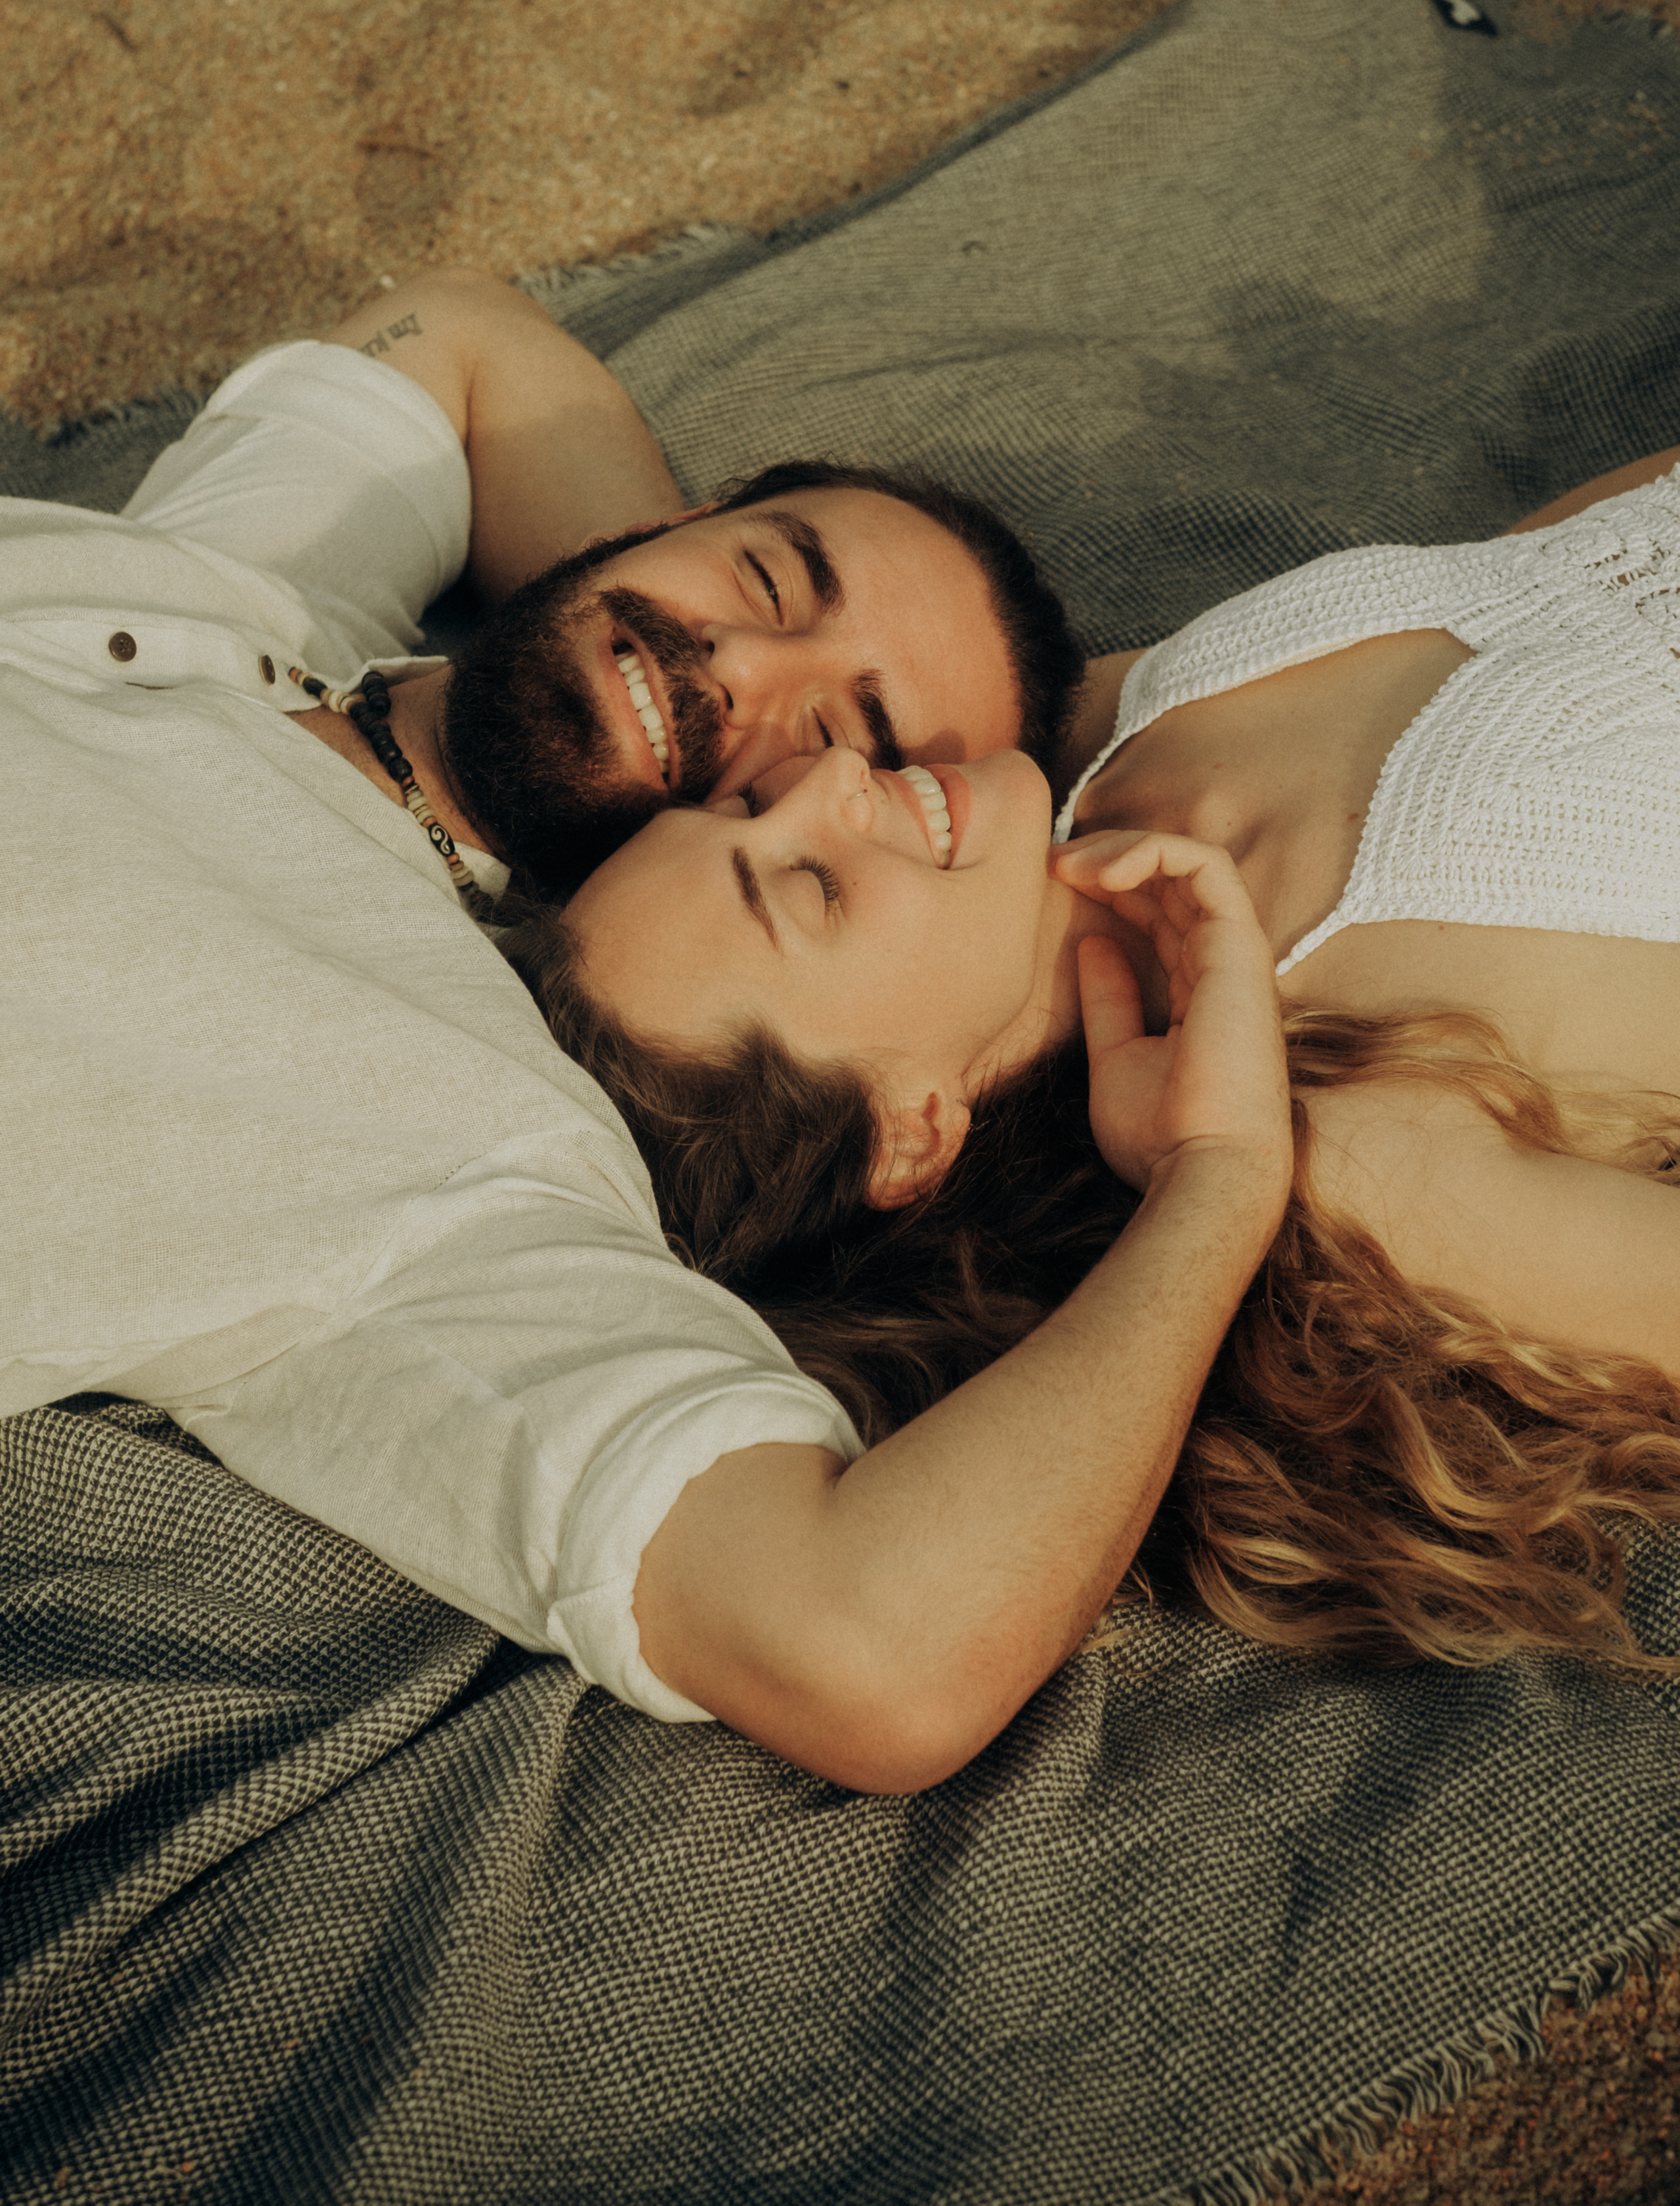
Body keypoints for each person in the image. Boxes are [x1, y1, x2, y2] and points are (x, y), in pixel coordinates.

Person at [5, 261, 1276, 1798]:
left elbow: (865, 1647)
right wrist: (640, 639)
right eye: (764, 581)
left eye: (848, 741)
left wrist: (1216, 1185)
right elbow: (470, 336)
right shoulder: (257, 585)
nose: (749, 687)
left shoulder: (461, 1140)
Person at [509, 454, 1680, 1762]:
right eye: (810, 889)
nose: (828, 782)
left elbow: (1561, 564)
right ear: (912, 1128)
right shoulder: (1357, 1148)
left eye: (743, 801)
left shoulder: (1108, 733)